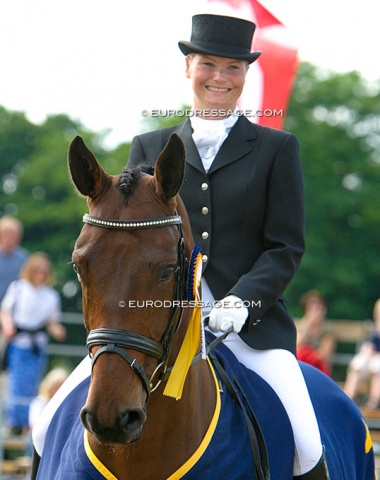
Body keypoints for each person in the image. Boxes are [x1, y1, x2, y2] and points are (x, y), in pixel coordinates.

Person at [128, 13, 329, 479]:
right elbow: (135, 244)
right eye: (208, 64)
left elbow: (285, 247)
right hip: (159, 332)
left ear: (246, 75)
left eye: (234, 68)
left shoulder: (276, 149)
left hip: (248, 331)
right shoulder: (148, 147)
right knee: (48, 424)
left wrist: (245, 300)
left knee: (306, 442)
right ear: (188, 68)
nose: (220, 77)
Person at [0, 252, 66, 434]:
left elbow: (51, 321)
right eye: (38, 270)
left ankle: (27, 423)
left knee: (33, 382)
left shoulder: (50, 296)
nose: (41, 275)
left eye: (44, 271)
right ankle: (14, 422)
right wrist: (8, 326)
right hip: (19, 341)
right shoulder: (19, 288)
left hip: (37, 343)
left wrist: (57, 330)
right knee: (16, 383)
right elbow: (5, 311)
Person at [344, 299, 380, 409]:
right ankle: (347, 398)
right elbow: (367, 347)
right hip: (370, 360)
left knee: (377, 366)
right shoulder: (372, 330)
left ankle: (373, 403)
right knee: (358, 363)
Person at [296, 290, 335, 376]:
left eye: (318, 308)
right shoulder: (302, 327)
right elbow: (296, 346)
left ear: (324, 310)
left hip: (319, 370)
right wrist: (307, 324)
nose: (315, 312)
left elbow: (324, 356)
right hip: (301, 368)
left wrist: (307, 354)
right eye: (311, 308)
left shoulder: (327, 331)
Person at [0, 216, 28, 303]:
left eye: (16, 235)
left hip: (12, 310)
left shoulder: (24, 258)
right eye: (10, 234)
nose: (14, 238)